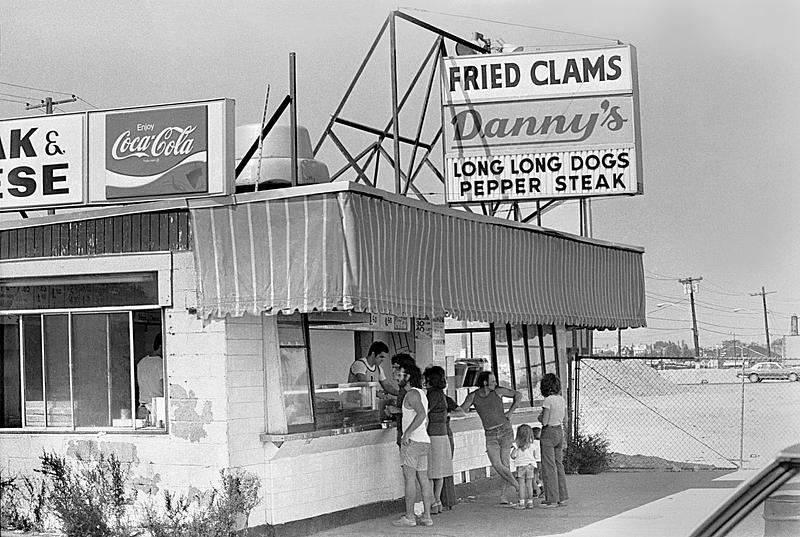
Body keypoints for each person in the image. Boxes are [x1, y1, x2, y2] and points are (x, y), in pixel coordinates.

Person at [460, 371, 522, 505]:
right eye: (492, 381)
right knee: (497, 464)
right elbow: (462, 410)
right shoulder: (473, 396)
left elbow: (518, 394)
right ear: (484, 383)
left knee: (504, 464)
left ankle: (504, 496)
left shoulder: (498, 391)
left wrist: (510, 412)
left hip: (505, 430)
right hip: (490, 434)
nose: (495, 383)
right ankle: (517, 486)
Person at [392, 362, 434, 528]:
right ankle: (427, 516)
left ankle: (409, 517)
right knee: (423, 479)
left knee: (409, 479)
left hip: (413, 442)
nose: (397, 377)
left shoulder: (411, 395)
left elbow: (422, 414)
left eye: (400, 374)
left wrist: (407, 433)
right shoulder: (421, 394)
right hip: (423, 441)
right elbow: (425, 418)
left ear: (408, 376)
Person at [423, 365, 465, 514]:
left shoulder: (432, 395)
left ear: (430, 380)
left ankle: (432, 503)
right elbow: (461, 412)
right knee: (440, 471)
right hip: (443, 434)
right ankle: (438, 502)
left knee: (429, 473)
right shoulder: (442, 395)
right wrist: (445, 416)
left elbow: (423, 412)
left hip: (433, 435)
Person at [538, 373, 569, 508]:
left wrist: (539, 417)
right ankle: (562, 497)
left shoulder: (548, 401)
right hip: (559, 430)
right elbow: (565, 419)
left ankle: (551, 499)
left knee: (548, 466)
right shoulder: (561, 399)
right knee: (558, 464)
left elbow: (544, 421)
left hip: (548, 433)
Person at [136, 333, 163, 422]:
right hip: (158, 407)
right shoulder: (161, 363)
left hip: (142, 408)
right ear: (161, 346)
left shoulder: (141, 362)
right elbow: (165, 386)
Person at [511, 424, 538, 509]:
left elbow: (513, 456)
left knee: (521, 485)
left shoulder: (517, 445)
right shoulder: (533, 445)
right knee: (529, 484)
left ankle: (521, 503)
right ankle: (530, 502)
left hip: (521, 466)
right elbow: (536, 456)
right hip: (530, 466)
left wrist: (515, 451)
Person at [532, 422, 544, 496]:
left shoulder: (532, 443)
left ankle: (535, 491)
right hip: (540, 461)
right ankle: (540, 487)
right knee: (536, 477)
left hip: (535, 461)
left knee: (533, 477)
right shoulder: (541, 442)